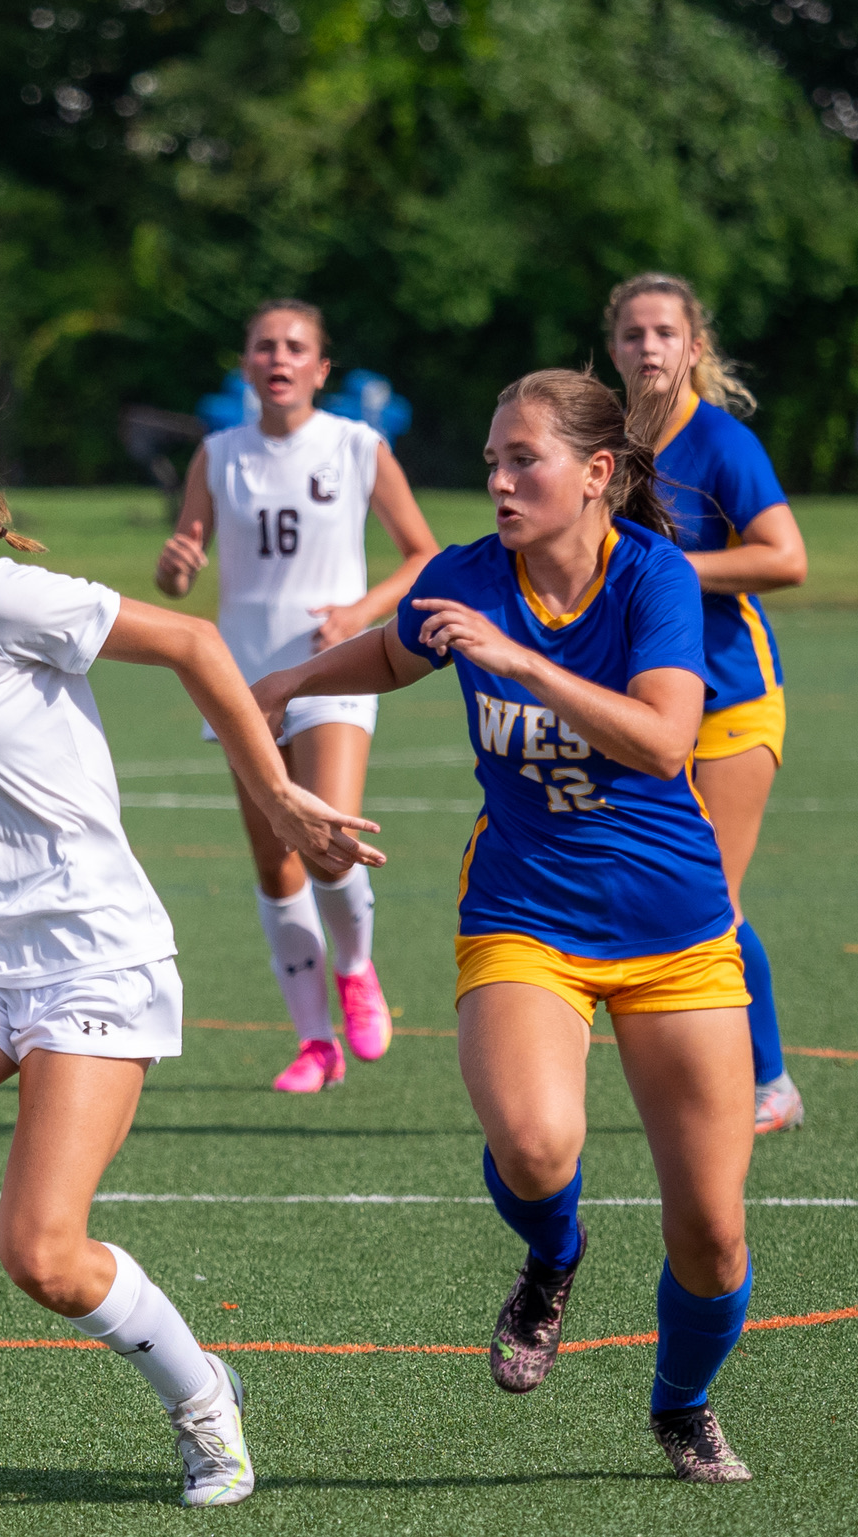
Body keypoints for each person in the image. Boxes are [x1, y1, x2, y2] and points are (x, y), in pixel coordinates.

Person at [0, 382, 382, 1503]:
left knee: (42, 1253)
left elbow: (193, 640)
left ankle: (204, 1401)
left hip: (93, 952)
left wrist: (279, 793)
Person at [252, 368, 757, 1483]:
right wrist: (286, 683)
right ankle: (552, 1259)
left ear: (598, 475)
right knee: (535, 1146)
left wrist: (520, 659)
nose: (498, 478)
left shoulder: (654, 577)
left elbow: (666, 741)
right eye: (491, 458)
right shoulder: (466, 575)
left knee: (712, 1236)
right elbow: (393, 651)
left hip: (676, 927)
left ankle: (682, 1403)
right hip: (526, 912)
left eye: (522, 458)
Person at [154, 301, 438, 1092]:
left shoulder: (356, 446)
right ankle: (315, 1042)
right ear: (246, 365)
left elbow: (423, 554)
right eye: (262, 346)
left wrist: (359, 611)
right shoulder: (217, 455)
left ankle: (355, 968)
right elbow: (179, 568)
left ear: (320, 368)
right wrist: (175, 564)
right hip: (240, 679)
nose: (277, 358)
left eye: (294, 347)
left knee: (328, 836)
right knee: (275, 861)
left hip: (334, 667)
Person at [605, 273, 810, 1134]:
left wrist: (671, 570)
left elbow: (785, 557)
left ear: (695, 347)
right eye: (631, 334)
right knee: (640, 888)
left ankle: (768, 1083)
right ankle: (696, 1070)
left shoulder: (722, 444)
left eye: (664, 332)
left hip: (731, 703)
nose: (647, 347)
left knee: (708, 900)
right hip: (646, 710)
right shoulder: (601, 441)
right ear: (611, 348)